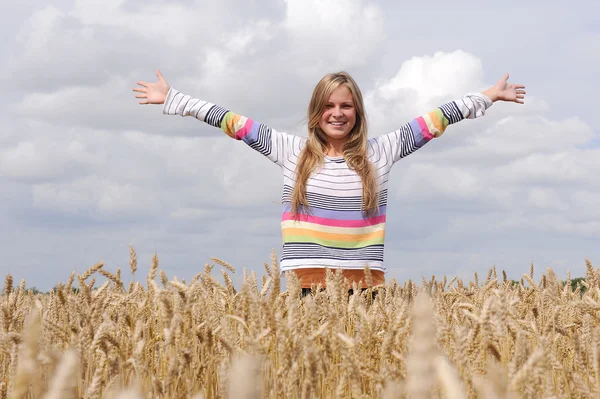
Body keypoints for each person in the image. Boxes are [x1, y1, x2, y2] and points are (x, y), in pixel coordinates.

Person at [133, 70, 525, 294]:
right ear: (316, 111)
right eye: (329, 105)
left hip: (366, 288)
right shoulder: (291, 152)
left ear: (357, 111)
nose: (337, 114)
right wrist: (175, 99)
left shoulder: (381, 152)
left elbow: (435, 120)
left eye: (346, 105)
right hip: (306, 286)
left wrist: (487, 96)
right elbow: (232, 122)